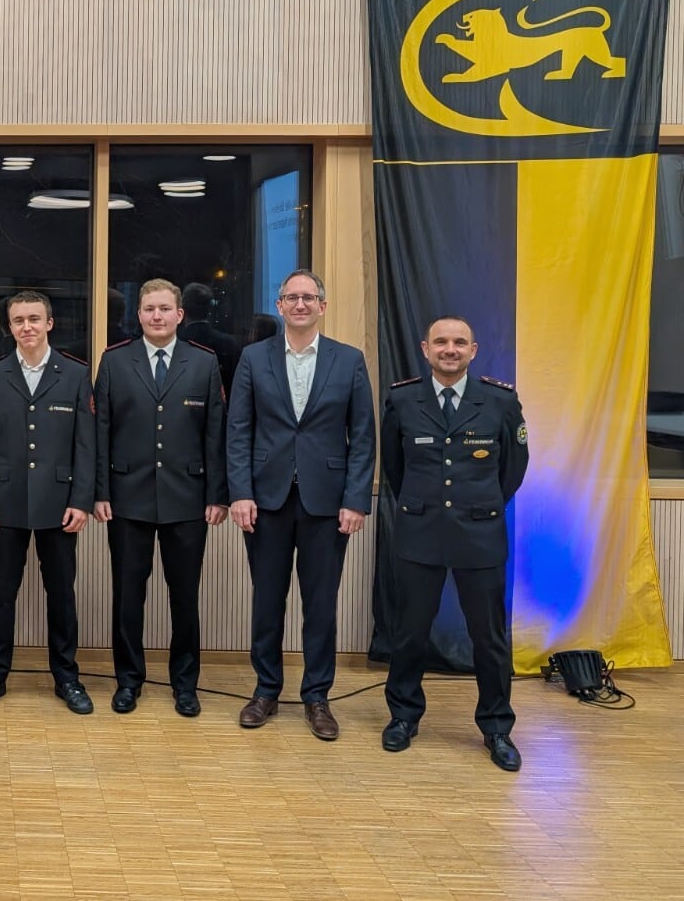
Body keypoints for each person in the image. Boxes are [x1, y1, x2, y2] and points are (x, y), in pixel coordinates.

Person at [225, 270, 374, 740]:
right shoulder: (253, 358)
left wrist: (355, 500)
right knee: (267, 602)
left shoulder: (348, 360)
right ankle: (265, 691)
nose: (301, 304)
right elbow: (238, 430)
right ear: (280, 305)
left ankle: (317, 697)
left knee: (321, 605)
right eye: (292, 297)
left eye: (309, 297)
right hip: (265, 501)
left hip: (327, 504)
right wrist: (240, 492)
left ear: (322, 307)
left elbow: (363, 436)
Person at [380, 316, 529, 771]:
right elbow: (394, 467)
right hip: (420, 531)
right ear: (425, 349)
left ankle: (497, 727)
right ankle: (403, 716)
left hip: (479, 534)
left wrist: (479, 505)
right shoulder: (402, 399)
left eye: (459, 342)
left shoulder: (500, 401)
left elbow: (513, 469)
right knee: (410, 632)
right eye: (441, 342)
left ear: (473, 350)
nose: (450, 349)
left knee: (489, 637)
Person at [94, 279, 229, 718]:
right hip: (126, 497)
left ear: (179, 314)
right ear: (138, 315)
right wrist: (100, 491)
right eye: (149, 308)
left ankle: (185, 684)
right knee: (127, 596)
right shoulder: (115, 360)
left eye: (165, 308)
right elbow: (100, 431)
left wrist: (218, 495)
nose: (157, 316)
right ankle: (128, 681)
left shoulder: (204, 362)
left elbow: (214, 434)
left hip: (187, 498)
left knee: (184, 597)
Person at [0, 290, 97, 715]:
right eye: (19, 320)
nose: (27, 327)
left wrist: (82, 500)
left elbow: (85, 445)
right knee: (1, 594)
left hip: (60, 505)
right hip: (5, 503)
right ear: (9, 327)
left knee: (61, 595)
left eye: (34, 319)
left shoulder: (75, 374)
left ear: (49, 323)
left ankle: (67, 678)